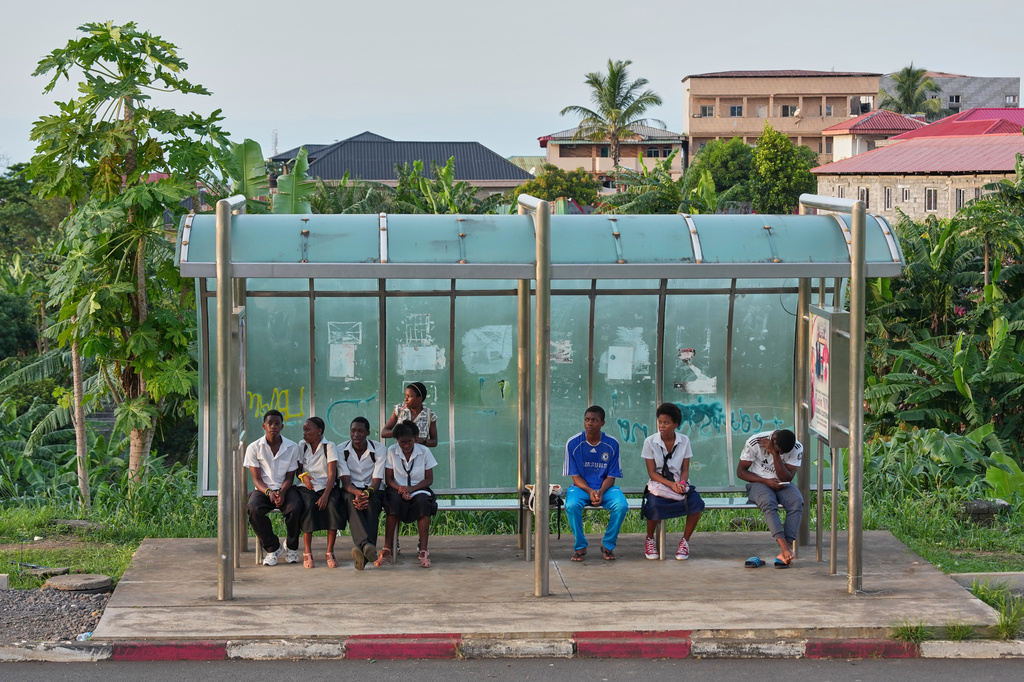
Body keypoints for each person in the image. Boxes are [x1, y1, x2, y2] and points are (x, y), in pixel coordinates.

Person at [640, 403, 706, 560]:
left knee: (696, 503)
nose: (662, 426)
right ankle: (649, 539)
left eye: (666, 423)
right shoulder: (650, 442)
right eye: (660, 422)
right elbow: (651, 473)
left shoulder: (684, 441)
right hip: (659, 483)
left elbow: (685, 470)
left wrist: (682, 484)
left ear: (676, 425)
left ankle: (685, 542)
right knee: (653, 504)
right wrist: (670, 485)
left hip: (678, 482)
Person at [562, 405, 628, 562]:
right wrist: (590, 490)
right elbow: (575, 477)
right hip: (581, 487)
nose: (589, 423)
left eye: (594, 420)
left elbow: (611, 477)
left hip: (606, 488)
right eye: (587, 420)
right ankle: (580, 547)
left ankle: (608, 545)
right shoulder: (573, 443)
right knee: (571, 506)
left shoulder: (612, 444)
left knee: (621, 505)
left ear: (602, 423)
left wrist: (600, 492)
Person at [375, 420, 438, 568]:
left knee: (423, 503)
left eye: (409, 442)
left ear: (415, 438)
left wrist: (412, 489)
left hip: (419, 488)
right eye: (402, 443)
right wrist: (401, 489)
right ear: (397, 440)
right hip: (396, 488)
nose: (406, 446)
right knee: (393, 503)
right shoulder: (391, 451)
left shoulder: (424, 451)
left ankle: (423, 550)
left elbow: (429, 479)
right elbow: (389, 478)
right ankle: (387, 548)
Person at [737, 429, 804, 567]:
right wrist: (766, 481)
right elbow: (741, 472)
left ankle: (785, 550)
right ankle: (786, 549)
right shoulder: (755, 442)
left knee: (796, 501)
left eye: (783, 454)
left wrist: (774, 454)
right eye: (779, 451)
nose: (782, 454)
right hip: (758, 482)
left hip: (783, 483)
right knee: (768, 502)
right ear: (773, 440)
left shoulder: (797, 447)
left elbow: (787, 477)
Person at [244, 409, 303, 566]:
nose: (273, 426)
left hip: (286, 488)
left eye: (277, 423)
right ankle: (273, 548)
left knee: (296, 507)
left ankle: (291, 547)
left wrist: (282, 492)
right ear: (264, 426)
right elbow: (256, 479)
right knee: (253, 508)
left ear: (282, 426)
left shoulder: (292, 447)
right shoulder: (254, 448)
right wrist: (270, 492)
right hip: (263, 490)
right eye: (270, 423)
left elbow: (290, 477)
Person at [295, 416, 345, 569]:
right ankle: (307, 552)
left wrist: (325, 495)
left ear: (319, 431)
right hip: (307, 486)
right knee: (308, 505)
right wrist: (304, 477)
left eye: (308, 430)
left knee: (333, 504)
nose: (304, 433)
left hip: (326, 485)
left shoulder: (329, 446)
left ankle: (329, 551)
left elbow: (332, 474)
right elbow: (298, 469)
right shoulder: (302, 445)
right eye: (304, 430)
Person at [338, 416, 387, 570]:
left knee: (372, 505)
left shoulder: (379, 449)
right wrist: (357, 493)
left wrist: (366, 494)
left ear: (367, 433)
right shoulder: (341, 450)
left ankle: (361, 550)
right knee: (351, 502)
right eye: (353, 431)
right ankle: (367, 545)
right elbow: (345, 482)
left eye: (360, 431)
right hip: (351, 489)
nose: (356, 434)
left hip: (373, 489)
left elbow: (377, 481)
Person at [380, 381, 438, 447]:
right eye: (405, 396)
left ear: (419, 398)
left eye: (409, 396)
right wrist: (400, 431)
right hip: (399, 454)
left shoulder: (429, 415)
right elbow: (384, 433)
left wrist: (423, 441)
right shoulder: (399, 410)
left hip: (419, 455)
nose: (405, 399)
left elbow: (434, 442)